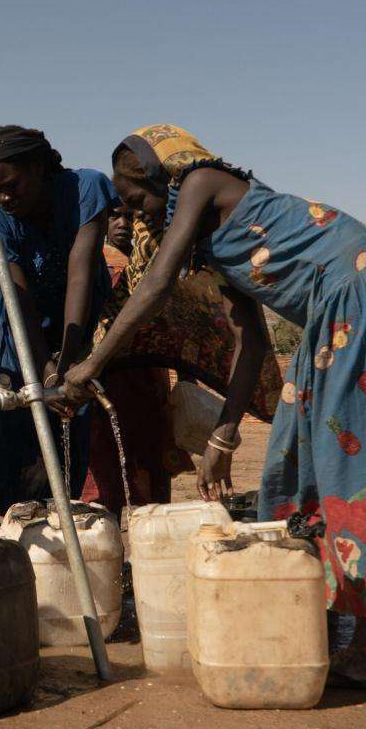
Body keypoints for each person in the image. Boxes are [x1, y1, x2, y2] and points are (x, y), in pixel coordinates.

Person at [61, 124, 366, 688]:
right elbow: (250, 342)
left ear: (163, 173)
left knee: (344, 466)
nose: (134, 213)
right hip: (328, 317)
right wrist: (221, 439)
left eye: (137, 197)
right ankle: (319, 615)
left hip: (356, 291)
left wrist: (91, 364)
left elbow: (155, 284)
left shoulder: (204, 182)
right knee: (293, 459)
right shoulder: (209, 243)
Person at [81, 206, 284, 516]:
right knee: (105, 483)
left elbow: (178, 325)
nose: (122, 224)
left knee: (150, 479)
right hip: (106, 389)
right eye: (113, 215)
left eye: (130, 215)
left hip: (151, 386)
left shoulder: (159, 264)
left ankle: (150, 547)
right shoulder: (95, 271)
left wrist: (187, 379)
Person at [0, 125, 113, 516]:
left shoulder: (85, 189)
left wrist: (65, 368)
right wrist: (46, 373)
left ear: (38, 166)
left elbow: (80, 274)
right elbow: (20, 303)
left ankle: (62, 559)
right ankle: (8, 556)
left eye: (11, 185)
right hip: (19, 344)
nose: (3, 198)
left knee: (65, 459)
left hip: (75, 337)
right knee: (8, 462)